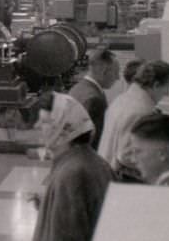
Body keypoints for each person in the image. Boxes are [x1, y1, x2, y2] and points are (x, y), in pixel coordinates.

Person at [31, 92, 113, 241]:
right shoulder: (91, 161)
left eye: (44, 122)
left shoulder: (71, 174)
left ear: (61, 125)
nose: (36, 126)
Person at [98, 60, 169, 179]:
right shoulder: (142, 111)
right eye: (167, 87)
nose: (167, 93)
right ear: (156, 85)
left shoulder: (121, 99)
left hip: (105, 174)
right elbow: (126, 155)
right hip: (122, 181)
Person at [68, 49, 120, 149]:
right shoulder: (94, 99)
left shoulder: (77, 88)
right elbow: (96, 142)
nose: (118, 78)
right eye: (116, 72)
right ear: (104, 71)